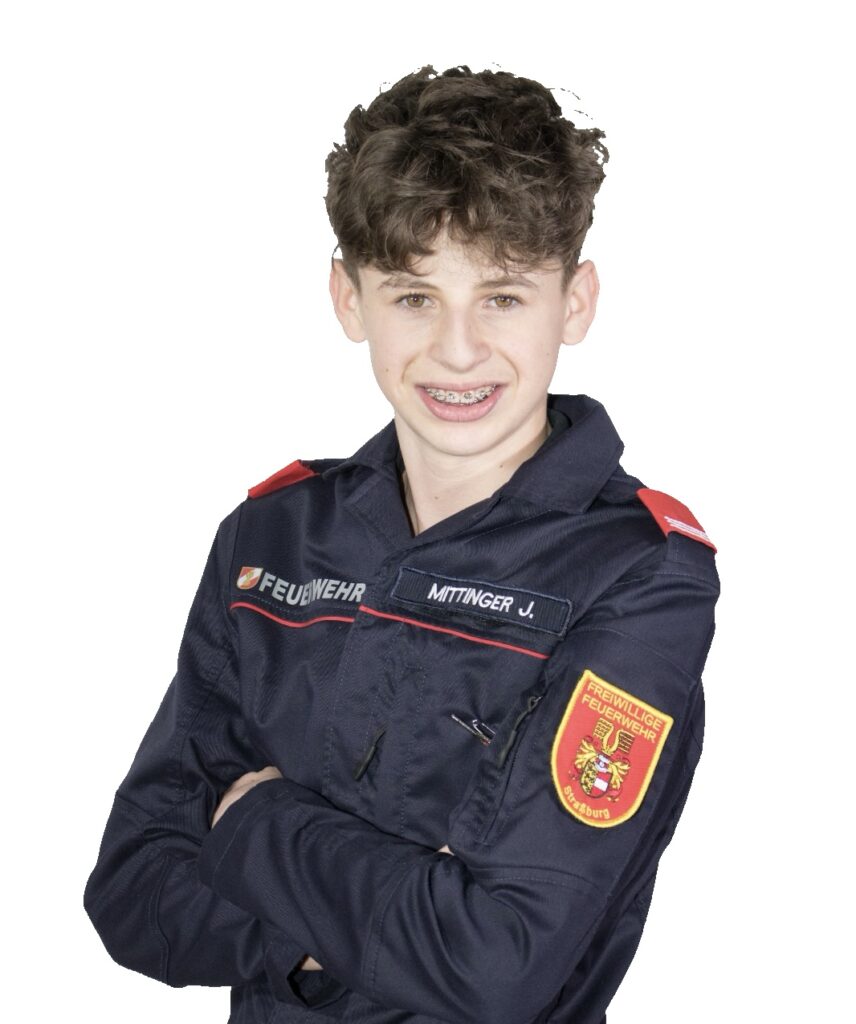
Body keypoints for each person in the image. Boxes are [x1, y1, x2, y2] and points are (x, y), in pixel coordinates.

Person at [84, 64, 720, 1024]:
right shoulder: (271, 537)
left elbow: (496, 963)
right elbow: (132, 895)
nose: (458, 351)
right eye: (414, 296)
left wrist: (255, 824)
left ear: (575, 301)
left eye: (502, 296)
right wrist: (390, 915)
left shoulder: (640, 575)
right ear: (349, 298)